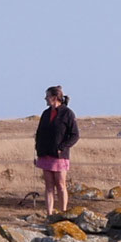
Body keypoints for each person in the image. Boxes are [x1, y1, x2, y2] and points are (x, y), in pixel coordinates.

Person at [33, 85, 79, 218]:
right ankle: (49, 214)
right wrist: (38, 149)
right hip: (45, 154)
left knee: (60, 185)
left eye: (47, 96)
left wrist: (62, 147)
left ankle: (63, 213)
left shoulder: (68, 113)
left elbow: (75, 135)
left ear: (54, 97)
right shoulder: (45, 113)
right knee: (48, 186)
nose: (45, 99)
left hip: (59, 156)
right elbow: (39, 133)